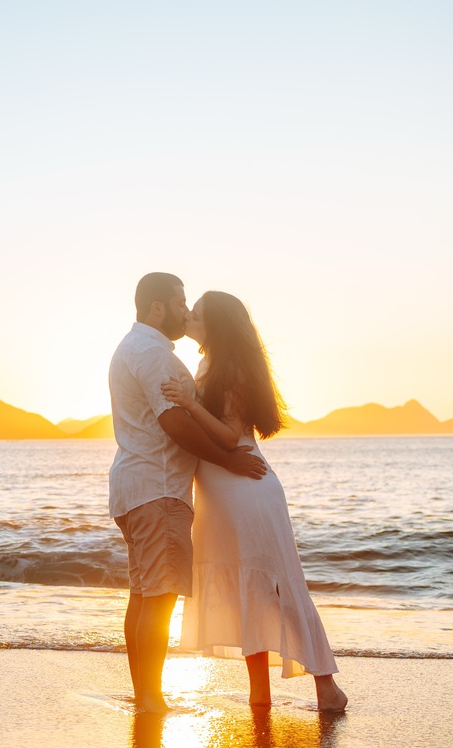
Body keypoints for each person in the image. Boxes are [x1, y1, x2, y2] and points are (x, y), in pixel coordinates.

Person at [162, 290, 348, 711]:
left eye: (198, 312)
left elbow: (230, 435)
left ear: (216, 324)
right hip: (223, 494)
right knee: (250, 592)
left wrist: (189, 402)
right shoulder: (209, 362)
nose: (189, 313)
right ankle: (259, 695)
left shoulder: (230, 368)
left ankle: (327, 688)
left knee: (279, 589)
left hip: (246, 491)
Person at [109, 273, 268, 713]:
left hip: (133, 487)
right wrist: (228, 459)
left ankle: (144, 694)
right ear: (157, 307)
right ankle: (149, 700)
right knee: (157, 600)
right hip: (157, 490)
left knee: (142, 595)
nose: (185, 311)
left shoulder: (131, 347)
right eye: (180, 302)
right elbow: (174, 424)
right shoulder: (154, 354)